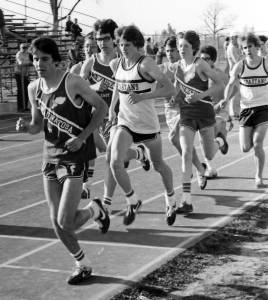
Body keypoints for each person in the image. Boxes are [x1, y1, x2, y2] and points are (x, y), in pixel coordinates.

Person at [16, 37, 109, 285]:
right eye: (35, 59)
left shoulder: (73, 82)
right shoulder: (33, 88)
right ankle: (82, 263)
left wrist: (82, 137)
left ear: (56, 61)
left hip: (75, 156)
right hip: (50, 157)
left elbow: (101, 108)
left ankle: (93, 209)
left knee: (65, 220)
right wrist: (26, 127)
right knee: (55, 220)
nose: (38, 64)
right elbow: (37, 126)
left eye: (44, 59)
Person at [108, 25, 178, 226]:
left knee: (158, 165)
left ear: (137, 45)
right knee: (114, 162)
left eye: (127, 44)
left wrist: (143, 96)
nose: (123, 48)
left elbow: (169, 88)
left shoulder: (146, 64)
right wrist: (113, 108)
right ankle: (132, 200)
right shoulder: (116, 63)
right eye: (120, 44)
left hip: (147, 125)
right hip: (126, 122)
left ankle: (170, 199)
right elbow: (118, 85)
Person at [80, 19, 150, 205]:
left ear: (114, 39)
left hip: (121, 116)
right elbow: (79, 89)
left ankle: (106, 202)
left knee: (110, 157)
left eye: (105, 38)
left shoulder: (124, 60)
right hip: (98, 118)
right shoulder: (89, 64)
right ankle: (138, 154)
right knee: (111, 155)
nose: (101, 43)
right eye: (98, 39)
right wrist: (94, 86)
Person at [174, 31, 228, 214]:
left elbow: (220, 84)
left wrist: (200, 95)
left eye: (186, 46)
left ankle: (220, 140)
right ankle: (186, 201)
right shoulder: (178, 66)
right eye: (180, 46)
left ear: (194, 48)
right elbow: (177, 87)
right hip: (187, 116)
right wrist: (174, 98)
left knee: (210, 154)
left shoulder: (201, 64)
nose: (181, 49)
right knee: (186, 153)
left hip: (205, 115)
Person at [220, 33, 268, 188]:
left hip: (263, 108)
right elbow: (231, 85)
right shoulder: (240, 66)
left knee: (257, 143)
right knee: (245, 147)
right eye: (245, 48)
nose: (248, 50)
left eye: (250, 46)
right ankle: (251, 142)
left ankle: (258, 176)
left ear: (257, 47)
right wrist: (225, 100)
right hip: (246, 109)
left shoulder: (266, 64)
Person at [160, 36, 207, 191]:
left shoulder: (185, 65)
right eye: (167, 51)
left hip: (185, 109)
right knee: (183, 145)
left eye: (173, 50)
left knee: (173, 137)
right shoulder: (166, 67)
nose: (170, 53)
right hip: (169, 111)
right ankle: (200, 169)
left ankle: (193, 171)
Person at [200, 45, 231, 178]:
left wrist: (226, 112)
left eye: (206, 59)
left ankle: (220, 141)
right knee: (204, 141)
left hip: (219, 112)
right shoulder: (198, 75)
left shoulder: (221, 76)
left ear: (213, 60)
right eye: (201, 59)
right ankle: (210, 167)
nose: (203, 61)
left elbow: (230, 92)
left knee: (209, 140)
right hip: (204, 112)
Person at [226, 32, 243, 119]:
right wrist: (243, 56)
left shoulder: (235, 47)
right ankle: (234, 112)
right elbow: (237, 60)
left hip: (236, 72)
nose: (237, 39)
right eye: (236, 37)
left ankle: (235, 111)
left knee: (237, 92)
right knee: (235, 92)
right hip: (234, 72)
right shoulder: (231, 48)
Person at [14, 43, 32, 112]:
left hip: (25, 75)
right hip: (19, 74)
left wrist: (28, 63)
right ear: (20, 48)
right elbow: (20, 63)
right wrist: (28, 63)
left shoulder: (28, 54)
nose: (24, 49)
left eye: (25, 47)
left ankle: (25, 106)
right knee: (21, 91)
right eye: (23, 47)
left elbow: (31, 61)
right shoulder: (19, 54)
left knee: (27, 90)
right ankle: (20, 108)